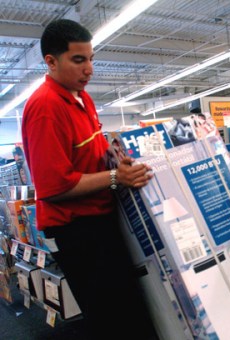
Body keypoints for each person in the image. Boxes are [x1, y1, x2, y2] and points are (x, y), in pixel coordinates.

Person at [21, 19, 157, 339]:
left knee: (130, 308)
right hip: (77, 231)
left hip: (101, 221)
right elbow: (55, 187)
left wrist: (115, 157)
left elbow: (90, 156)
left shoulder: (82, 98)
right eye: (78, 60)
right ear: (51, 62)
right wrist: (115, 178)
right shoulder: (45, 107)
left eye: (91, 59)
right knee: (113, 317)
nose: (89, 69)